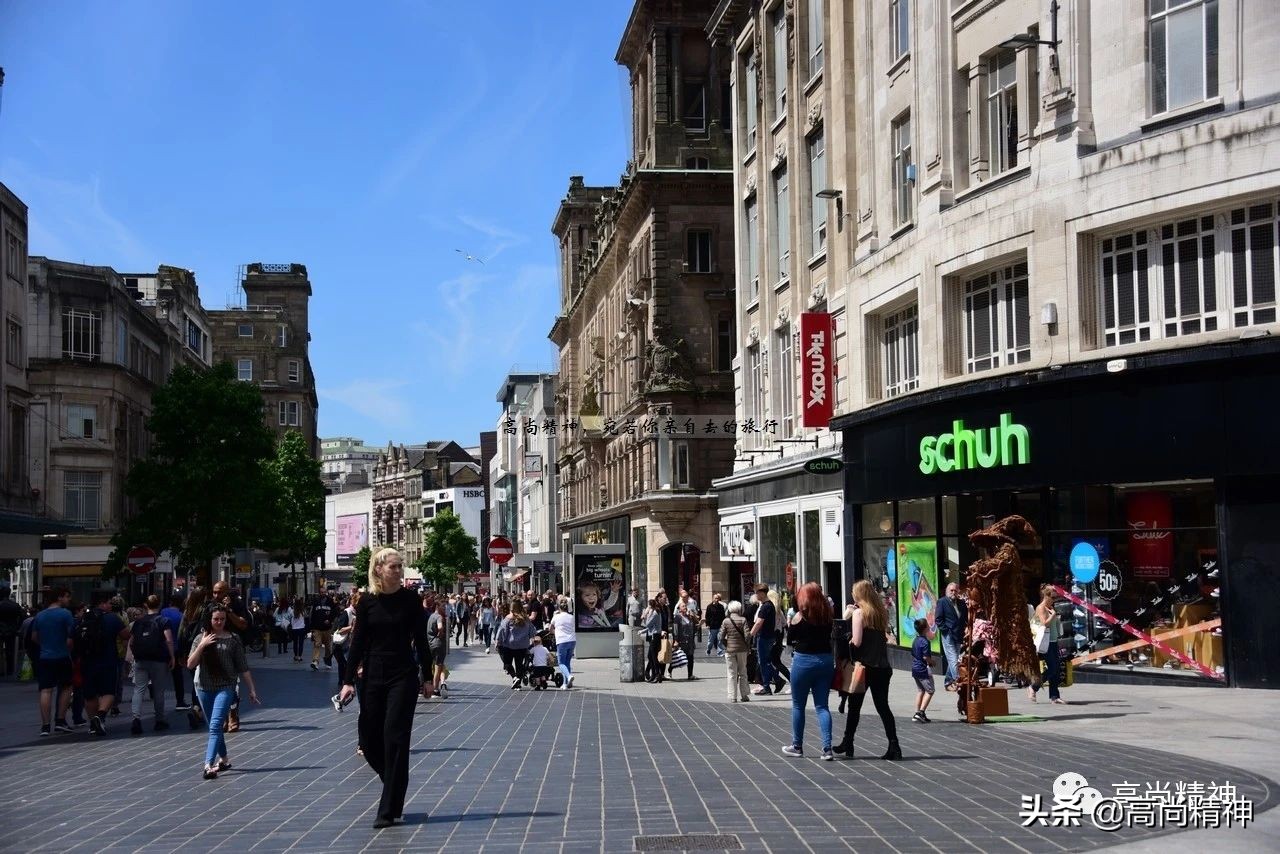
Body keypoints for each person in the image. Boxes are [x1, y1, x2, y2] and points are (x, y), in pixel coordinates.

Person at [337, 548, 434, 828]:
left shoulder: (411, 601)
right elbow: (357, 643)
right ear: (378, 569)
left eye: (400, 566)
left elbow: (421, 640)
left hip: (402, 675)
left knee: (395, 737)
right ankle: (394, 778)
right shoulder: (367, 602)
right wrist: (346, 681)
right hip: (372, 674)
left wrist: (427, 676)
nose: (399, 570)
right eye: (393, 566)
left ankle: (388, 810)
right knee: (368, 739)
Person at [188, 604, 261, 779]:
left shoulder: (233, 639)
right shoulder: (201, 638)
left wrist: (251, 689)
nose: (219, 622)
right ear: (209, 620)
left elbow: (243, 667)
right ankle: (225, 759)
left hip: (226, 687)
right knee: (214, 727)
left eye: (222, 619)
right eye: (215, 619)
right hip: (204, 688)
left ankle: (208, 764)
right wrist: (202, 645)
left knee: (215, 725)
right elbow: (190, 664)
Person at [834, 580, 901, 760]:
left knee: (854, 707)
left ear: (858, 594)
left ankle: (848, 742)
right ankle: (894, 745)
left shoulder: (859, 613)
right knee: (883, 707)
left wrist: (847, 617)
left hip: (864, 667)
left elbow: (856, 642)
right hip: (882, 666)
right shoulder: (880, 613)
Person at [781, 583, 836, 760]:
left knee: (798, 705)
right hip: (825, 660)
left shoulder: (800, 616)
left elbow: (790, 640)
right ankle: (827, 749)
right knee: (822, 706)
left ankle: (797, 746)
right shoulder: (827, 615)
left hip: (804, 661)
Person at [80, 590, 131, 737]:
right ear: (103, 603)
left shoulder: (84, 617)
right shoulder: (112, 618)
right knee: (109, 692)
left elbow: (72, 640)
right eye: (109, 602)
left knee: (90, 695)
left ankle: (93, 724)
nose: (110, 605)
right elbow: (126, 635)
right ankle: (100, 716)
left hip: (87, 661)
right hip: (108, 660)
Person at [128, 594, 175, 735]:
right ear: (159, 605)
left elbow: (131, 641)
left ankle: (136, 718)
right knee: (158, 690)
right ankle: (159, 720)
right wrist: (172, 656)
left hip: (141, 659)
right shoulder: (164, 621)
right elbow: (168, 639)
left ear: (145, 605)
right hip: (158, 659)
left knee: (139, 689)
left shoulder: (138, 622)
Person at [31, 588, 76, 736]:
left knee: (46, 690)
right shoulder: (66, 614)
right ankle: (60, 720)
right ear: (59, 597)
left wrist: (45, 646)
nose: (68, 600)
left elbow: (34, 637)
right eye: (67, 596)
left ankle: (45, 726)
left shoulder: (40, 616)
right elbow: (71, 638)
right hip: (62, 656)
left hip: (45, 657)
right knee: (66, 687)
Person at [1029, 584, 1067, 705]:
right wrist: (1053, 615)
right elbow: (1045, 623)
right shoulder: (1041, 608)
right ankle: (1033, 687)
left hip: (1054, 641)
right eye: (1053, 597)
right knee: (1053, 668)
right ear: (1046, 596)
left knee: (1055, 669)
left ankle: (1054, 696)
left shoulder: (1051, 608)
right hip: (1046, 643)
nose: (1054, 600)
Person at [176, 588, 207, 724]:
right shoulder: (205, 611)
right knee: (203, 680)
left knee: (196, 679)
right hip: (203, 648)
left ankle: (198, 709)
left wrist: (181, 653)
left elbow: (181, 633)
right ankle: (197, 708)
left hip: (189, 651)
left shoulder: (187, 612)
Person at [494, 600, 536, 690]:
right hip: (522, 645)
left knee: (507, 663)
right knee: (519, 664)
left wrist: (498, 640)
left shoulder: (508, 618)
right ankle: (518, 682)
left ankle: (514, 677)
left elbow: (502, 630)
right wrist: (531, 637)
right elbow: (532, 630)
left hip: (510, 644)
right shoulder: (526, 618)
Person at [935, 582, 967, 691]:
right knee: (953, 659)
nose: (953, 592)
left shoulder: (962, 603)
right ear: (947, 591)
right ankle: (959, 681)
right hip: (948, 635)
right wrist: (946, 631)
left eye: (955, 590)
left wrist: (966, 629)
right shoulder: (942, 602)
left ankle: (948, 682)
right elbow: (938, 619)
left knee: (952, 659)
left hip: (958, 635)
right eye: (951, 590)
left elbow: (965, 618)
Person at [720, 601, 752, 703]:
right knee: (743, 672)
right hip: (742, 650)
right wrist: (747, 646)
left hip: (730, 650)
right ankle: (744, 695)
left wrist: (726, 644)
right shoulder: (743, 620)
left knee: (731, 673)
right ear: (739, 609)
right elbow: (747, 636)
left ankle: (732, 696)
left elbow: (720, 636)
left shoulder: (726, 621)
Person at [749, 584, 777, 695]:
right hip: (769, 636)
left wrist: (750, 635)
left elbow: (759, 622)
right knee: (765, 661)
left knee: (764, 662)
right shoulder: (770, 605)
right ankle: (777, 680)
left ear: (762, 593)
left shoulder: (765, 606)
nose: (755, 595)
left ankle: (767, 687)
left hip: (764, 637)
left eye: (756, 593)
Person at [910, 617, 935, 723]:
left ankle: (917, 713)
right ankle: (921, 712)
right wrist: (932, 662)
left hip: (915, 668)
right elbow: (925, 657)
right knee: (930, 691)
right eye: (928, 626)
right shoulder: (925, 642)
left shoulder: (915, 640)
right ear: (925, 629)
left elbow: (913, 653)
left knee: (921, 690)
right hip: (923, 669)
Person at [550, 597, 576, 690]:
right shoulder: (571, 617)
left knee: (561, 663)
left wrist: (555, 632)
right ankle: (565, 684)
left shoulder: (556, 617)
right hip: (572, 640)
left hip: (561, 641)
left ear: (559, 607)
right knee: (567, 662)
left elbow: (550, 628)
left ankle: (568, 676)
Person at [0, 587, 26, 678]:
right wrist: (17, 627)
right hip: (11, 631)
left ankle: (1, 670)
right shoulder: (15, 605)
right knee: (10, 651)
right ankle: (10, 670)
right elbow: (23, 616)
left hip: (1, 630)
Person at [426, 596, 449, 698]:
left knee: (435, 665)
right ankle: (435, 689)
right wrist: (440, 632)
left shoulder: (431, 616)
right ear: (437, 606)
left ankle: (432, 687)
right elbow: (440, 627)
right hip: (438, 644)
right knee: (438, 666)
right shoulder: (439, 617)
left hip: (431, 643)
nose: (444, 608)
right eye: (443, 606)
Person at [310, 593, 336, 670]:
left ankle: (327, 660)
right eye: (321, 593)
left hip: (327, 628)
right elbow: (313, 614)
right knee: (317, 644)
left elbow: (334, 612)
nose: (322, 594)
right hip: (317, 628)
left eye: (324, 593)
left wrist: (330, 620)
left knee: (328, 646)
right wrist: (312, 627)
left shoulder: (330, 602)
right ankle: (315, 661)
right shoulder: (316, 602)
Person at [669, 603, 695, 680]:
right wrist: (676, 640)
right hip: (682, 641)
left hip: (689, 641)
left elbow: (692, 627)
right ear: (679, 609)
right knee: (678, 657)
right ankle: (669, 671)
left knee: (690, 658)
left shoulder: (688, 617)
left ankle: (690, 675)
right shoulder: (677, 617)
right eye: (683, 606)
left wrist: (692, 617)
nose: (685, 607)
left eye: (685, 606)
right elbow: (675, 629)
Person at [641, 598, 664, 683]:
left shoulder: (654, 613)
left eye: (648, 606)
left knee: (654, 657)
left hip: (655, 637)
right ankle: (653, 675)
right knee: (650, 656)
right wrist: (642, 631)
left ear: (650, 606)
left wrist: (646, 614)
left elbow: (647, 624)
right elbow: (651, 627)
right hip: (655, 636)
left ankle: (657, 675)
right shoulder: (657, 612)